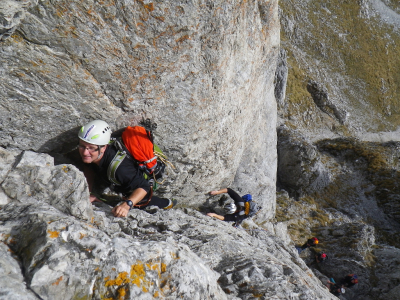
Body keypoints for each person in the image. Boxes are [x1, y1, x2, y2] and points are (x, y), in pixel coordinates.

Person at [78, 120, 175, 217]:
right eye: (82, 146)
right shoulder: (93, 155)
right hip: (120, 174)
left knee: (141, 202)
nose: (85, 153)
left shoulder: (121, 169)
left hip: (143, 179)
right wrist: (88, 193)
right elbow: (89, 168)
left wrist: (127, 205)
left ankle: (167, 203)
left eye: (91, 148)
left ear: (103, 147)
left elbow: (144, 187)